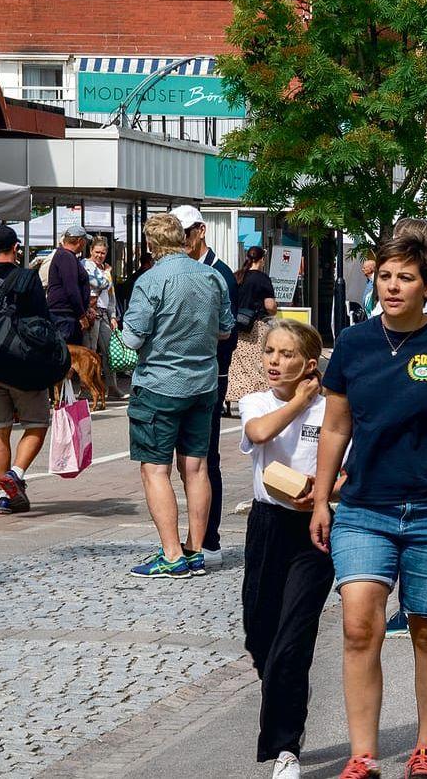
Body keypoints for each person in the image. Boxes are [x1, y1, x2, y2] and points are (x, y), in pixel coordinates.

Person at [310, 223, 427, 779]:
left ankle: (426, 750)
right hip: (365, 508)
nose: (392, 286)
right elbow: (335, 427)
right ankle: (362, 756)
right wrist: (322, 497)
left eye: (405, 278)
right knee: (360, 623)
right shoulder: (353, 343)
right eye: (385, 275)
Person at [238, 319, 334, 779]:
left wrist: (324, 493)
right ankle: (283, 686)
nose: (275, 362)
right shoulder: (256, 400)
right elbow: (258, 434)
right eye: (269, 353)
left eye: (286, 355)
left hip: (314, 530)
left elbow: (347, 469)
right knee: (260, 635)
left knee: (293, 641)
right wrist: (298, 401)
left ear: (309, 364)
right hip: (267, 525)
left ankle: (286, 748)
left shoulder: (332, 410)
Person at [120, 213, 234, 578]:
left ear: (152, 245)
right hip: (203, 383)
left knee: (155, 469)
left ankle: (171, 555)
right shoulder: (212, 276)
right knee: (197, 468)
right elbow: (225, 329)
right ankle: (196, 551)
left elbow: (133, 338)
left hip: (159, 385)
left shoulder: (150, 280)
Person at [171, 204, 239, 569]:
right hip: (181, 379)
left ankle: (208, 539)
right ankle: (193, 536)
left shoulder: (220, 274)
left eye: (185, 233)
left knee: (204, 459)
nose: (180, 241)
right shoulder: (174, 271)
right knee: (185, 462)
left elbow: (228, 333)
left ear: (200, 231)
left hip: (210, 376)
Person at [0, 224, 51, 515]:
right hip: (22, 363)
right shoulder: (26, 278)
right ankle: (16, 474)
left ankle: (3, 495)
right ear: (16, 248)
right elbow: (41, 320)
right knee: (37, 422)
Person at [228, 246, 279, 406]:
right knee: (257, 363)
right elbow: (270, 305)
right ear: (262, 260)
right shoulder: (263, 279)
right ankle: (256, 395)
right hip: (255, 326)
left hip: (237, 325)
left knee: (238, 365)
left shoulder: (238, 276)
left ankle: (232, 396)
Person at [84, 235, 122, 398]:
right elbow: (101, 284)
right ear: (91, 250)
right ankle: (86, 389)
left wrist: (113, 315)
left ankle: (112, 387)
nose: (100, 255)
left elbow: (111, 294)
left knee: (109, 352)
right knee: (89, 352)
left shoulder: (105, 269)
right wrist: (107, 273)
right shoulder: (85, 265)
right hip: (92, 313)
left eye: (103, 253)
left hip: (104, 313)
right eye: (97, 252)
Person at [46, 224, 92, 346]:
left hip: (65, 314)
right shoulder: (66, 256)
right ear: (80, 241)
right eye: (85, 241)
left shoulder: (65, 256)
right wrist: (81, 315)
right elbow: (71, 288)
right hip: (64, 315)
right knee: (68, 355)